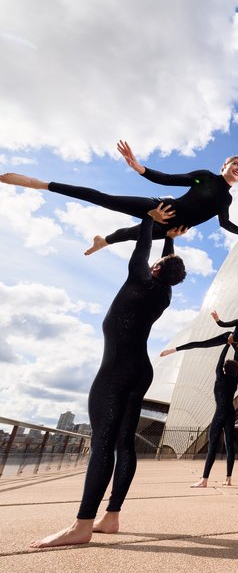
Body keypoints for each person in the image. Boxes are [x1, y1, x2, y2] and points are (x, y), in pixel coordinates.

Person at [29, 208, 187, 549]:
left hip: (116, 370)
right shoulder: (164, 294)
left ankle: (82, 525)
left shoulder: (139, 278)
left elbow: (142, 247)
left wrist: (150, 218)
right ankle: (111, 517)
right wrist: (170, 241)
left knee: (102, 443)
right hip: (140, 370)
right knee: (123, 443)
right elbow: (160, 260)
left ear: (157, 269)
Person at [0, 140, 238, 255]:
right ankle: (42, 184)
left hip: (169, 229)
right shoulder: (204, 176)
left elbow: (224, 224)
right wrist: (140, 168)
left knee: (131, 234)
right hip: (163, 208)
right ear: (224, 167)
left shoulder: (226, 202)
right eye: (234, 165)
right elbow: (169, 179)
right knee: (106, 199)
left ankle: (103, 241)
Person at [160, 307, 238, 372]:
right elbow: (223, 325)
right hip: (228, 337)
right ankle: (174, 350)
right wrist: (217, 319)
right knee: (203, 344)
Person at [190, 345, 238, 488]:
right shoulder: (235, 379)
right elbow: (235, 363)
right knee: (229, 445)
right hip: (231, 412)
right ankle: (229, 479)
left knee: (212, 445)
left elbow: (220, 360)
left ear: (224, 369)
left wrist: (227, 344)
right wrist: (237, 348)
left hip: (220, 413)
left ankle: (204, 480)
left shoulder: (220, 376)